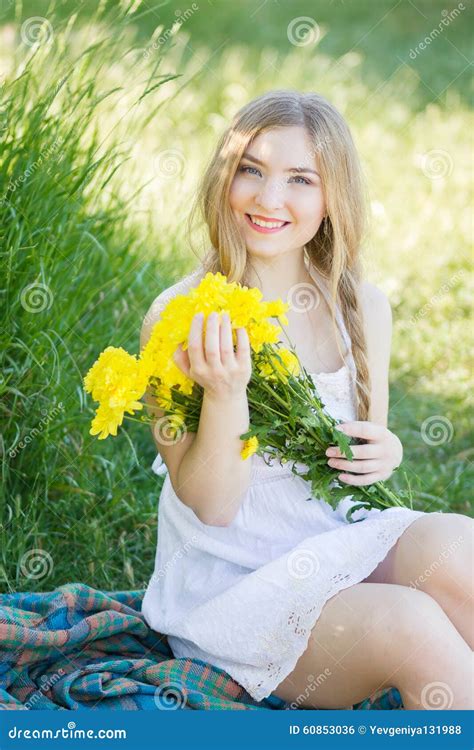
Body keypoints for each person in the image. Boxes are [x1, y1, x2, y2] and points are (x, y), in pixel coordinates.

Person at [140, 90, 473, 710]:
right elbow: (210, 506)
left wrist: (385, 451)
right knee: (411, 623)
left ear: (332, 199)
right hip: (237, 584)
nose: (269, 199)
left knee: (460, 544)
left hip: (336, 547)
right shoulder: (179, 318)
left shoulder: (361, 307)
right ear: (225, 179)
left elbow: (358, 468)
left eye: (300, 179)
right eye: (251, 170)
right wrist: (226, 392)